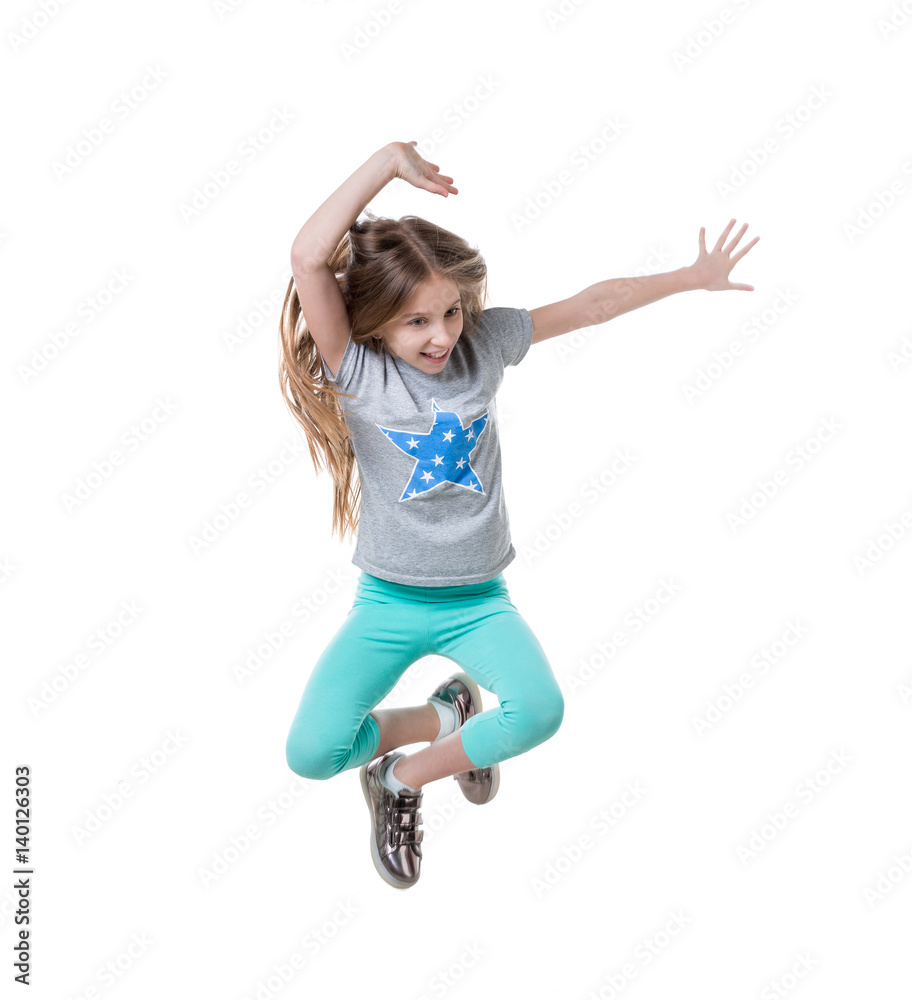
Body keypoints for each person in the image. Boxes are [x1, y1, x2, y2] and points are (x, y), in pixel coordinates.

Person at [279, 140, 759, 889]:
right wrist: (384, 162)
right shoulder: (359, 370)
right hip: (388, 605)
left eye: (450, 312)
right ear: (374, 325)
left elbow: (591, 305)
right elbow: (309, 257)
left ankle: (404, 777)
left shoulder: (485, 345)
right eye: (415, 323)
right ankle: (444, 718)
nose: (441, 335)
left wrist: (690, 278)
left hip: (479, 604)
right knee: (313, 754)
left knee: (537, 712)